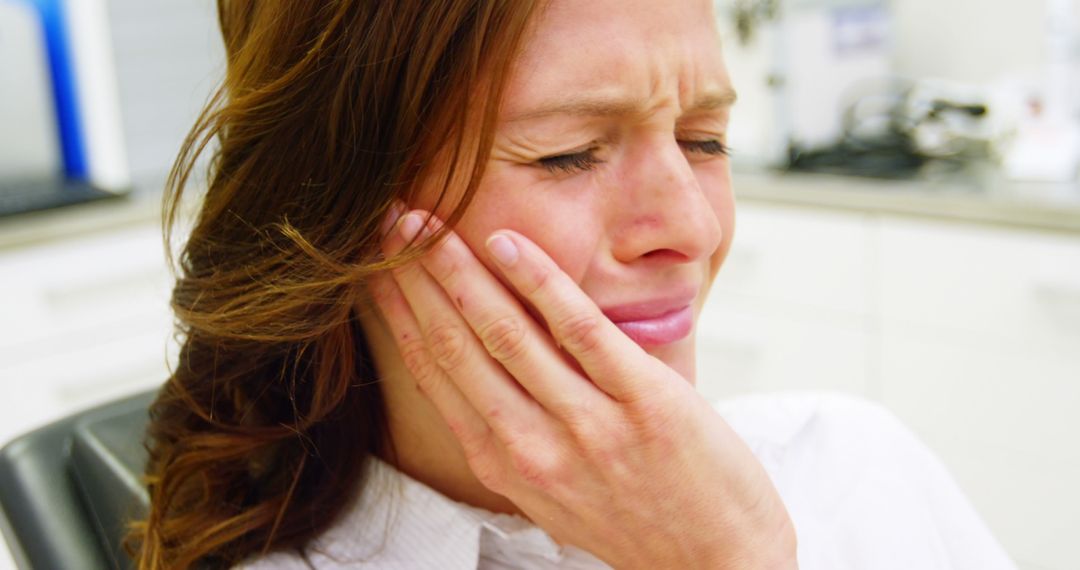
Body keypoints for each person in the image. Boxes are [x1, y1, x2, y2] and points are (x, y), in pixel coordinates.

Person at [130, 1, 1018, 569]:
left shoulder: (852, 459)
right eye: (567, 155)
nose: (694, 230)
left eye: (704, 139)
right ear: (340, 213)